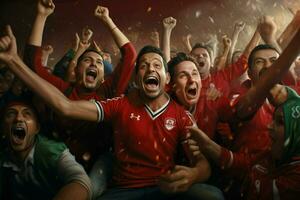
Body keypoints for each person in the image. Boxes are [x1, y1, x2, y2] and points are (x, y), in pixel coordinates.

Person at [0, 24, 213, 199]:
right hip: (124, 191)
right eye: (143, 66)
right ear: (137, 78)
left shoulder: (182, 116)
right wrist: (13, 61)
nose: (150, 69)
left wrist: (194, 175)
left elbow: (203, 164)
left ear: (166, 79)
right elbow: (64, 106)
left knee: (213, 196)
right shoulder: (120, 104)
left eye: (157, 65)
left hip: (164, 190)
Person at [0, 100, 92, 200]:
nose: (18, 118)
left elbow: (81, 182)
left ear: (37, 128)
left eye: (27, 114)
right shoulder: (3, 156)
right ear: (3, 128)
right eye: (11, 114)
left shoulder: (50, 150)